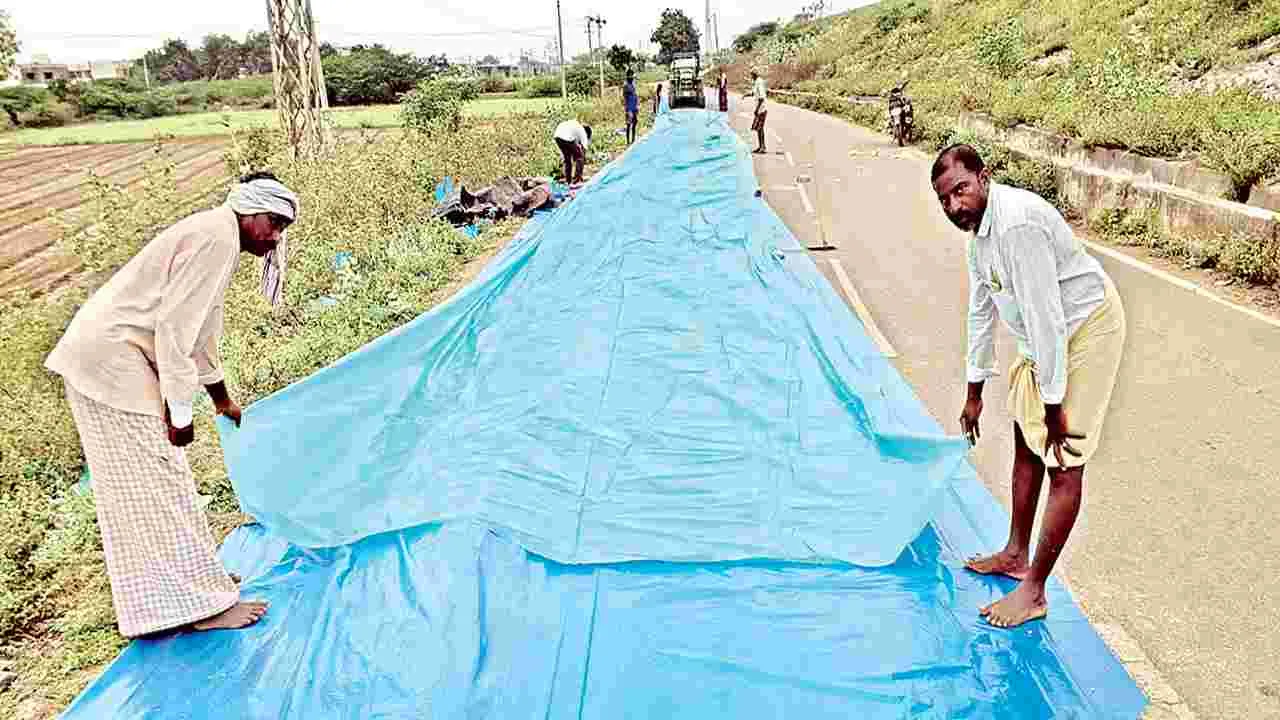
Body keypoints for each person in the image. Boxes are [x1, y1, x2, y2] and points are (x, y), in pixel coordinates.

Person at [44, 172, 300, 638]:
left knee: (148, 487)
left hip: (111, 359)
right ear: (251, 212)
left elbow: (201, 332)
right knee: (156, 479)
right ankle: (201, 606)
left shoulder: (217, 235)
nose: (276, 236)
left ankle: (182, 593)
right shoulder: (215, 239)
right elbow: (175, 333)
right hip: (111, 364)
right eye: (274, 223)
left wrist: (221, 400)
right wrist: (179, 414)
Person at [931, 144, 1126, 629]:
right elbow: (981, 313)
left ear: (984, 178)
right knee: (1026, 439)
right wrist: (974, 393)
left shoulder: (1016, 226)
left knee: (1064, 458)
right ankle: (1017, 552)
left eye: (962, 189)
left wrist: (1056, 405)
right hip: (1046, 337)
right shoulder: (979, 238)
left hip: (1085, 328)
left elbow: (1048, 321)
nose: (956, 206)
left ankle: (1034, 590)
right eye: (945, 200)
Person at [553, 118, 592, 186]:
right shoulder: (582, 132)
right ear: (587, 133)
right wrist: (582, 159)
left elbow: (572, 144)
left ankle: (568, 181)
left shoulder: (575, 127)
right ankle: (577, 180)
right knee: (580, 157)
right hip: (565, 137)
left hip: (557, 136)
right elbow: (584, 149)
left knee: (567, 160)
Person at [750, 68, 768, 153]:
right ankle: (760, 146)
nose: (751, 77)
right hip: (759, 109)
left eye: (752, 75)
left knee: (760, 128)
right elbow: (754, 93)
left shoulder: (759, 82)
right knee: (758, 128)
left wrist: (757, 109)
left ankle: (763, 147)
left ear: (754, 75)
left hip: (761, 109)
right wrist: (746, 94)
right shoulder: (757, 82)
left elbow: (761, 97)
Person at [623, 71, 639, 145]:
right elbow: (625, 98)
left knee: (635, 123)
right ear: (628, 77)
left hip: (634, 107)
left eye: (632, 76)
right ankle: (628, 141)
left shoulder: (633, 85)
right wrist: (627, 110)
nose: (632, 77)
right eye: (631, 76)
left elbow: (635, 96)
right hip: (629, 108)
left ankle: (633, 139)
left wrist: (637, 106)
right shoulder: (626, 86)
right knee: (629, 125)